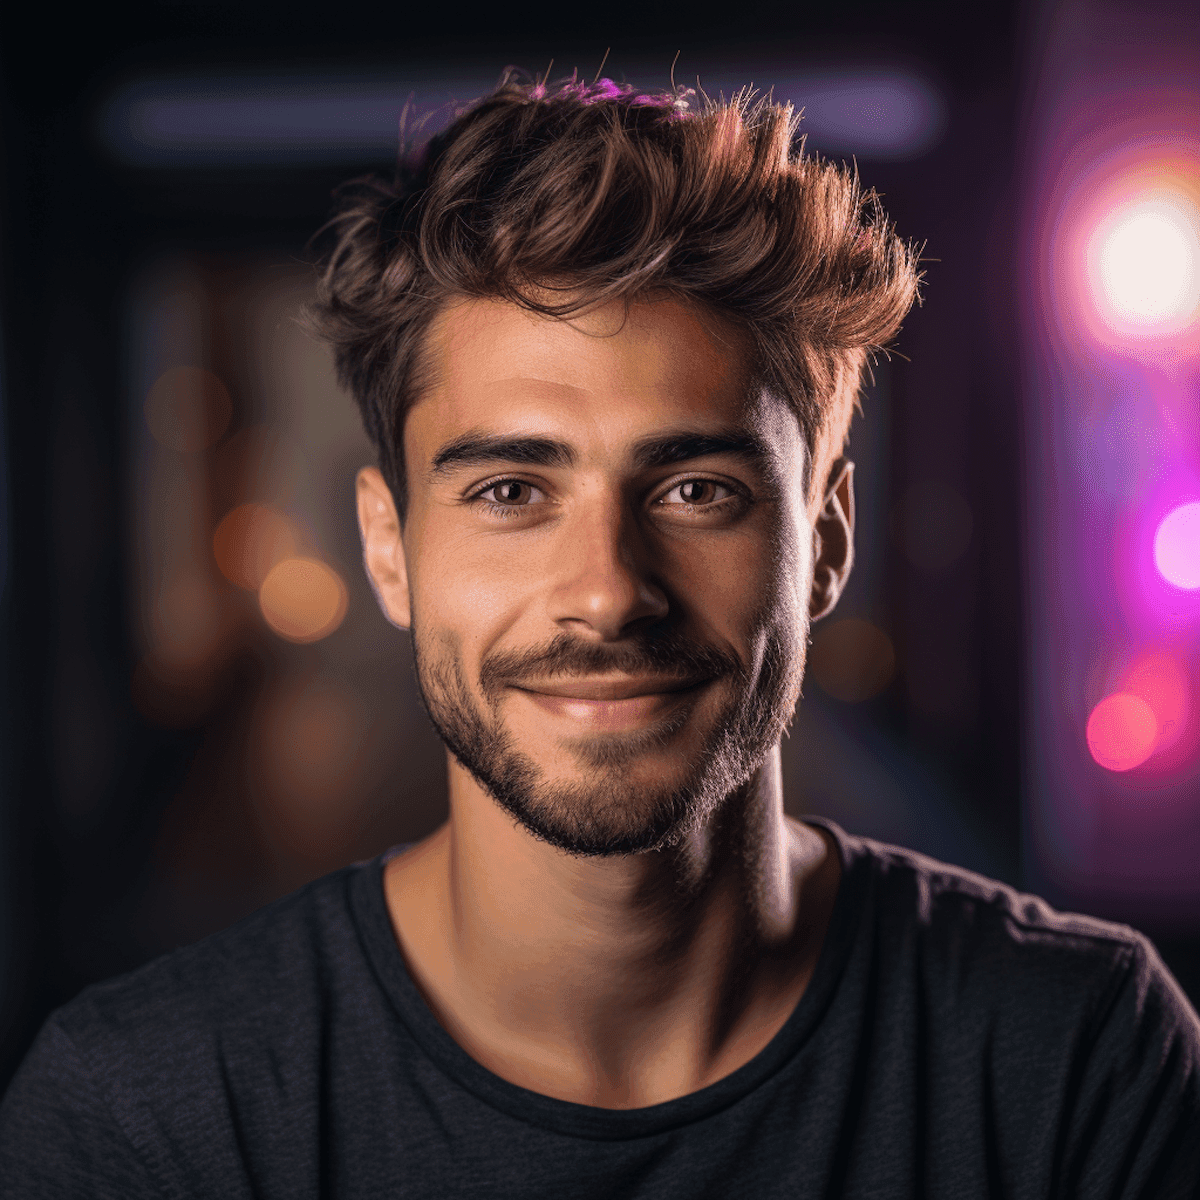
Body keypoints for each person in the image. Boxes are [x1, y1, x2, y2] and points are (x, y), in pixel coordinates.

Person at [2, 70, 1198, 1198]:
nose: (609, 592)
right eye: (511, 492)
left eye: (696, 490)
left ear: (826, 540)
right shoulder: (151, 1115)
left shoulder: (1076, 1060)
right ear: (388, 547)